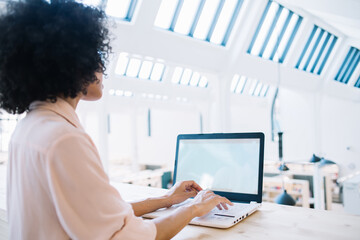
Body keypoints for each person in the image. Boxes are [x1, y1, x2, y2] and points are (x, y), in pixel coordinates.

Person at [0, 1, 233, 239]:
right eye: (94, 55)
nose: (101, 66)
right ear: (71, 62)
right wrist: (194, 208)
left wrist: (167, 200)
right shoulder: (64, 139)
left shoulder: (30, 128)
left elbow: (98, 217)